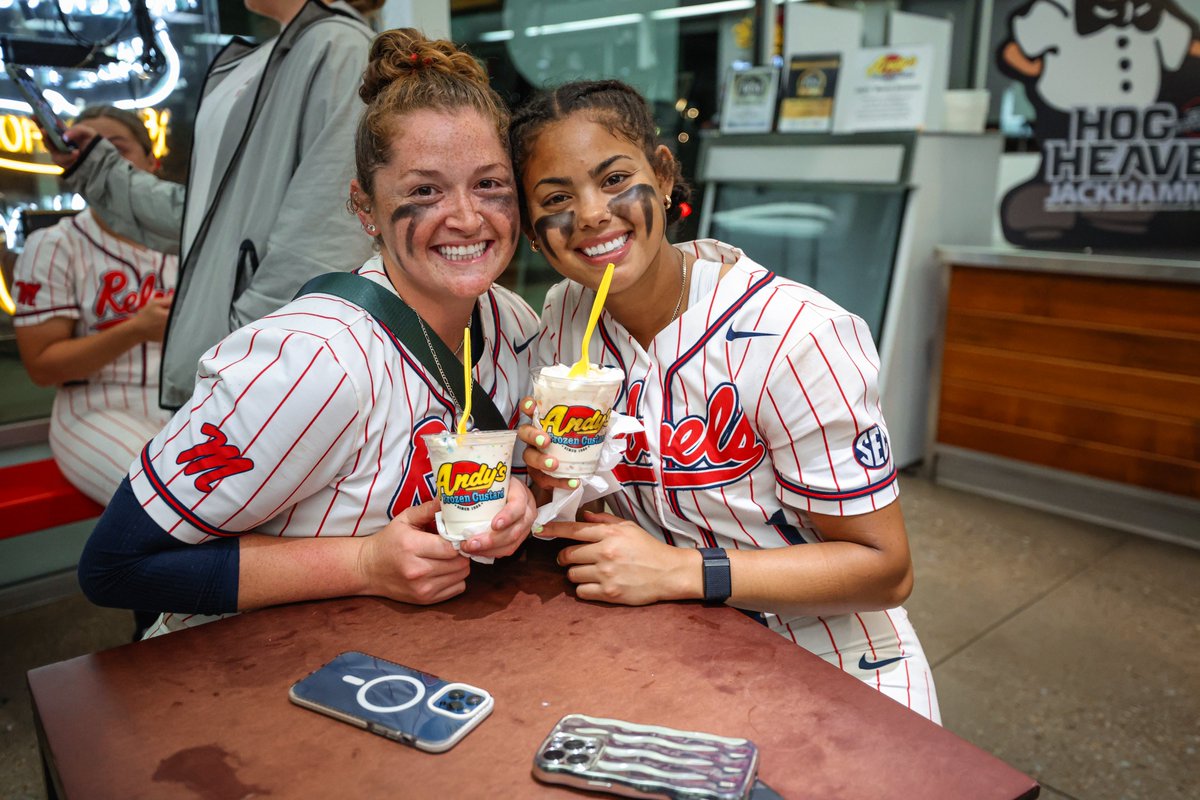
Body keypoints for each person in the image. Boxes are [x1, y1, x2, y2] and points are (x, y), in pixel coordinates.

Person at [77, 29, 540, 637]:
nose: (465, 216)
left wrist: (519, 505)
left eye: (490, 185)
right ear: (364, 207)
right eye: (424, 190)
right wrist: (364, 563)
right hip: (239, 679)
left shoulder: (516, 326)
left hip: (400, 668)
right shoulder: (314, 362)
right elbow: (116, 566)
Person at [510, 79, 940, 722]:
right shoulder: (565, 316)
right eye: (556, 199)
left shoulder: (799, 335)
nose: (593, 213)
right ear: (532, 230)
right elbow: (594, 504)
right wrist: (549, 477)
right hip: (672, 647)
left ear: (662, 174)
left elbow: (885, 570)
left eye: (615, 178)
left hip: (835, 662)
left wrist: (683, 571)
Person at [46, 0, 376, 411]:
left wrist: (242, 348)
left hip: (258, 374)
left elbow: (326, 233)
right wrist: (96, 168)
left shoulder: (338, 46)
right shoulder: (281, 52)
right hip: (235, 364)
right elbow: (214, 220)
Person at [13, 105, 177, 505]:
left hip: (187, 401)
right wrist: (135, 329)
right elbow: (41, 365)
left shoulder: (189, 240)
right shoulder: (54, 245)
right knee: (172, 503)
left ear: (151, 164)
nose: (104, 162)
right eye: (93, 152)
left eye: (117, 149)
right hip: (94, 409)